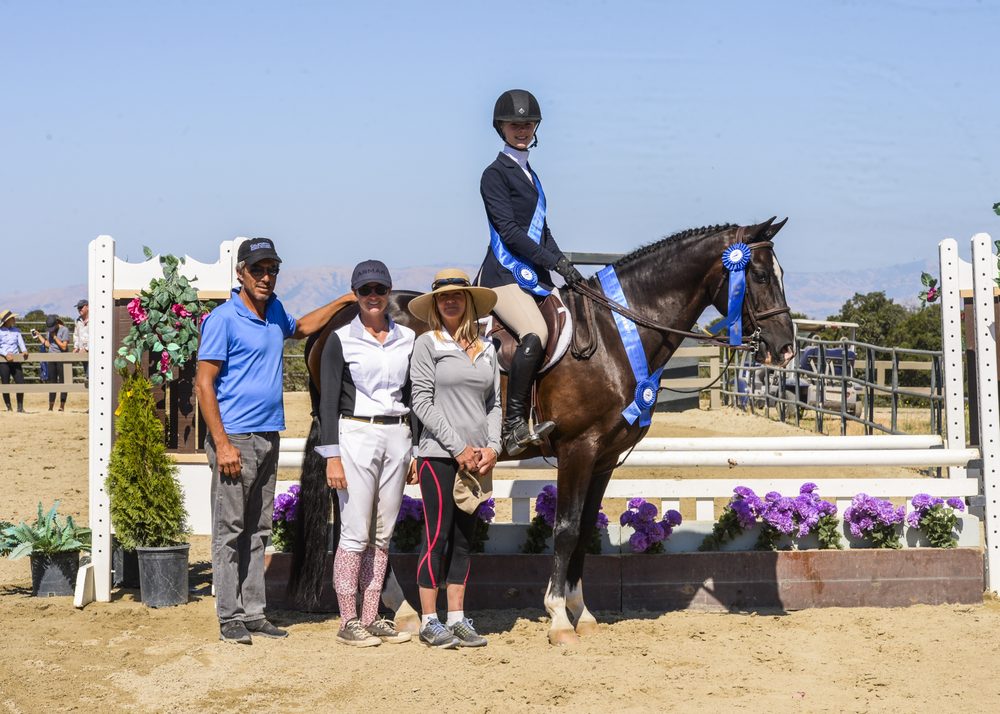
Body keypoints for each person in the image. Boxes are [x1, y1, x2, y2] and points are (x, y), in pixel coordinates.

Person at [195, 237, 348, 645]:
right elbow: (204, 384)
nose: (266, 277)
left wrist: (344, 300)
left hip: (268, 434)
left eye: (272, 269)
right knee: (229, 529)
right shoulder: (222, 319)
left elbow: (301, 327)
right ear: (240, 272)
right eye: (258, 269)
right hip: (236, 439)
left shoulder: (275, 311)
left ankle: (254, 611)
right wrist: (222, 443)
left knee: (259, 528)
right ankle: (230, 616)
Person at [477, 89, 584, 456]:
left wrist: (565, 266)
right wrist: (552, 262)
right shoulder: (494, 174)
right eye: (514, 124)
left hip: (531, 273)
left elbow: (543, 232)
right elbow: (509, 233)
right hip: (503, 275)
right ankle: (513, 424)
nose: (521, 129)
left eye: (528, 123)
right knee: (536, 332)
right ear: (501, 128)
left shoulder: (531, 175)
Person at [314, 260, 416, 648]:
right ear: (355, 295)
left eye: (379, 290)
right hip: (356, 431)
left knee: (382, 533)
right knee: (355, 530)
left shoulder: (407, 338)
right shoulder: (340, 339)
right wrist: (332, 456)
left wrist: (416, 449)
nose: (373, 297)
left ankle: (372, 616)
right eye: (365, 291)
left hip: (397, 434)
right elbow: (326, 403)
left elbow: (412, 396)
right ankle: (347, 618)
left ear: (388, 292)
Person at [407, 269, 501, 648]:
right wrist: (457, 447)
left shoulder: (488, 348)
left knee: (465, 539)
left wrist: (493, 447)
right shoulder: (428, 344)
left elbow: (493, 403)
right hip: (439, 456)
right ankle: (430, 620)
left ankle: (458, 617)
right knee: (437, 535)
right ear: (435, 305)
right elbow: (421, 401)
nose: (450, 301)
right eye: (443, 297)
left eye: (457, 296)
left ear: (469, 301)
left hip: (478, 458)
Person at [34, 315, 69, 411]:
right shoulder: (49, 330)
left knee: (63, 382)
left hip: (62, 358)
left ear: (57, 323)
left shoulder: (64, 330)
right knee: (52, 381)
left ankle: (62, 406)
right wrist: (39, 336)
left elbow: (64, 347)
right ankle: (51, 406)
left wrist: (54, 336)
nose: (51, 330)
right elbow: (49, 345)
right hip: (51, 358)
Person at [0, 309, 28, 412]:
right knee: (5, 382)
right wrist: (5, 354)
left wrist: (24, 350)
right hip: (3, 360)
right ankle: (9, 407)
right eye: (12, 318)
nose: (14, 319)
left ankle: (20, 407)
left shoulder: (16, 330)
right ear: (7, 320)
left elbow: (20, 342)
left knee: (20, 382)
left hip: (15, 359)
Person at [73, 299, 89, 379]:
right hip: (82, 352)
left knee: (91, 374)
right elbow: (76, 335)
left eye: (81, 307)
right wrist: (76, 347)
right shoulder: (77, 320)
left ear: (87, 307)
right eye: (78, 308)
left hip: (93, 353)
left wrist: (87, 349)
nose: (79, 309)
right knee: (87, 373)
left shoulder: (95, 320)